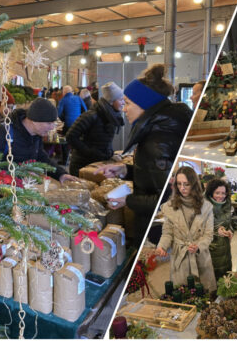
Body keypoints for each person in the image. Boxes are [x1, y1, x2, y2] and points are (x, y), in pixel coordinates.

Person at [95, 64, 192, 242]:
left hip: (157, 228)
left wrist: (128, 201)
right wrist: (125, 171)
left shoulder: (156, 142)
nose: (124, 109)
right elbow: (155, 177)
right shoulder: (162, 129)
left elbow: (168, 198)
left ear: (145, 105)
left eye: (129, 104)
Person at [0, 98, 78, 184]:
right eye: (49, 123)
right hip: (2, 195)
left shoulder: (36, 135)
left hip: (26, 191)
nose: (52, 127)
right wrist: (19, 174)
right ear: (34, 120)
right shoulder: (2, 132)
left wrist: (60, 174)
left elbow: (41, 158)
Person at [155, 167, 217, 293]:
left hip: (200, 256)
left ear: (194, 184)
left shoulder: (206, 207)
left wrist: (198, 246)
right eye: (179, 184)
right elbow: (167, 232)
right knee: (182, 293)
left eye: (186, 184)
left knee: (203, 293)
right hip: (180, 257)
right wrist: (162, 247)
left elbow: (209, 234)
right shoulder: (170, 207)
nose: (182, 188)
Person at [65, 82, 124, 176]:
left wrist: (110, 154)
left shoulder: (111, 115)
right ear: (112, 101)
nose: (123, 103)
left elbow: (105, 141)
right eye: (121, 100)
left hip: (98, 162)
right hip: (82, 165)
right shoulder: (92, 115)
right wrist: (90, 152)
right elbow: (71, 136)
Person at [205, 178, 237, 281]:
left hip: (225, 248)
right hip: (211, 248)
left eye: (223, 193)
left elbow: (232, 221)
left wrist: (230, 230)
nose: (221, 196)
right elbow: (199, 229)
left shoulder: (227, 204)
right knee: (213, 278)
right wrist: (216, 232)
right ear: (211, 192)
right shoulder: (204, 206)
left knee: (226, 276)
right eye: (217, 193)